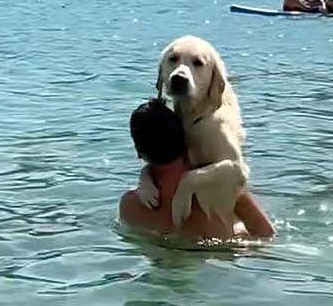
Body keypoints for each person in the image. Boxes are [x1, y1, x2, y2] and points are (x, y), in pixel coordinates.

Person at [118, 98, 275, 240]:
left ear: (139, 153)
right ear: (185, 140)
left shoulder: (129, 206)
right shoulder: (221, 187)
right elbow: (266, 235)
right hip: (218, 266)